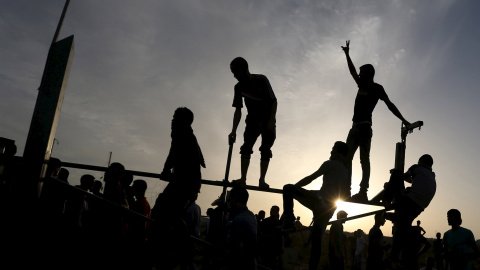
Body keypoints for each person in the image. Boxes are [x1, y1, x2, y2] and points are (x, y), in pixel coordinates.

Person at [341, 40, 411, 202]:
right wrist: (347, 54)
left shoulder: (375, 88)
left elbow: (390, 105)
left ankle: (362, 192)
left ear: (368, 73)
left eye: (362, 71)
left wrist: (404, 119)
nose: (359, 73)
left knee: (362, 160)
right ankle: (347, 191)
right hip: (355, 127)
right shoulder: (361, 84)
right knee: (348, 159)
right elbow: (352, 71)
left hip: (364, 128)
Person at [281, 141, 350, 270]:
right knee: (316, 241)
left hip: (320, 201)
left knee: (287, 188)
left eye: (333, 150)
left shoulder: (329, 164)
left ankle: (289, 220)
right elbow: (343, 192)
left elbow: (311, 178)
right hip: (330, 208)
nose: (331, 152)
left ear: (338, 153)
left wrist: (296, 187)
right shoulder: (346, 171)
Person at [228, 57, 277, 189]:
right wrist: (233, 131)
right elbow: (238, 110)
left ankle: (262, 180)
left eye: (235, 72)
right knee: (246, 147)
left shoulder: (261, 80)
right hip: (252, 121)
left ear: (242, 70)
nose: (234, 76)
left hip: (267, 120)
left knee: (265, 149)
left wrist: (271, 120)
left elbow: (274, 101)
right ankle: (243, 178)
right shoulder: (238, 87)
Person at [382, 154, 436, 266]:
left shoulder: (416, 167)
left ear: (421, 161)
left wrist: (392, 181)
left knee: (396, 172)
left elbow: (404, 177)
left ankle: (387, 202)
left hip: (409, 201)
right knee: (402, 225)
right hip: (420, 206)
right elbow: (412, 181)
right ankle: (394, 257)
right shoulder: (431, 175)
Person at [227, 186, 258, 270]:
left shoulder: (238, 220)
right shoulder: (251, 216)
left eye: (230, 199)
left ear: (236, 198)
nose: (229, 202)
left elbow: (238, 249)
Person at [258, 205, 283, 269]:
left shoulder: (280, 223)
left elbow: (280, 239)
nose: (271, 211)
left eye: (273, 210)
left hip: (274, 251)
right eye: (271, 209)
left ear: (277, 212)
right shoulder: (265, 222)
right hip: (264, 250)